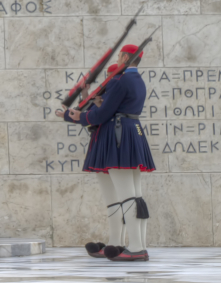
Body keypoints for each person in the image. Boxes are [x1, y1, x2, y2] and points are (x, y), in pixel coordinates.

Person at [65, 46, 154, 262]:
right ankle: (121, 243)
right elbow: (107, 107)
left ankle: (136, 247)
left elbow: (104, 113)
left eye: (119, 56)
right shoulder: (137, 81)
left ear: (125, 57)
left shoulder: (120, 81)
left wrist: (77, 117)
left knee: (128, 196)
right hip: (128, 132)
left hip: (118, 135)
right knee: (130, 195)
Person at [58, 65, 121, 259]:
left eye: (109, 77)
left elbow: (98, 115)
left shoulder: (115, 93)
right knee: (113, 198)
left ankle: (119, 243)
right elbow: (87, 114)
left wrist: (77, 113)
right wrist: (85, 94)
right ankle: (115, 241)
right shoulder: (106, 95)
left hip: (110, 142)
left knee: (121, 198)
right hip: (100, 141)